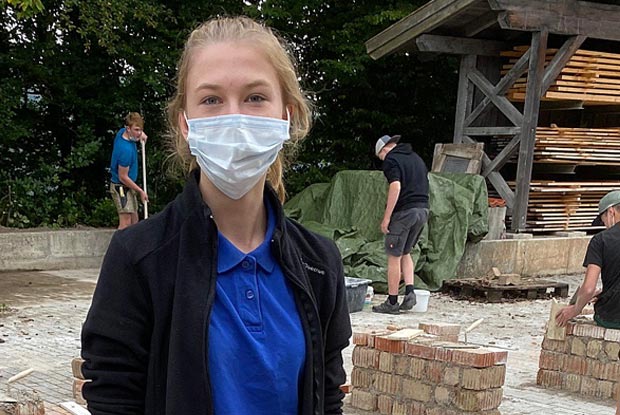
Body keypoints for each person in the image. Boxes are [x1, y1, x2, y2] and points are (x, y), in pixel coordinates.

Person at [80, 16, 352, 415]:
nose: (234, 118)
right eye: (211, 100)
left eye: (255, 97)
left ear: (286, 115)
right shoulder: (139, 258)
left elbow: (326, 395)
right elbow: (113, 399)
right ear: (185, 124)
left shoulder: (319, 263)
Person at [372, 134, 429, 314]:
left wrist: (387, 217)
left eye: (380, 157)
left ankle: (392, 302)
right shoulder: (416, 158)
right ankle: (410, 292)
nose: (382, 160)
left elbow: (395, 186)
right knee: (406, 251)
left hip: (404, 212)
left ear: (383, 150)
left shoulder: (391, 160)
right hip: (423, 210)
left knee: (393, 256)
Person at [557, 190, 620, 329]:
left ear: (611, 212)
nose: (605, 225)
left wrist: (575, 309)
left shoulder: (601, 240)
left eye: (604, 221)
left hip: (612, 318)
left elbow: (589, 288)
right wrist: (609, 290)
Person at [109, 112, 149, 229]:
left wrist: (141, 134)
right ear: (128, 129)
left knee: (134, 221)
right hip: (121, 187)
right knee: (126, 222)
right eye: (136, 130)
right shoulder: (125, 150)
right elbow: (123, 177)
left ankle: (133, 241)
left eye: (141, 130)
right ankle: (119, 241)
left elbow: (134, 129)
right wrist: (140, 191)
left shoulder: (122, 133)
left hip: (128, 186)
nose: (139, 133)